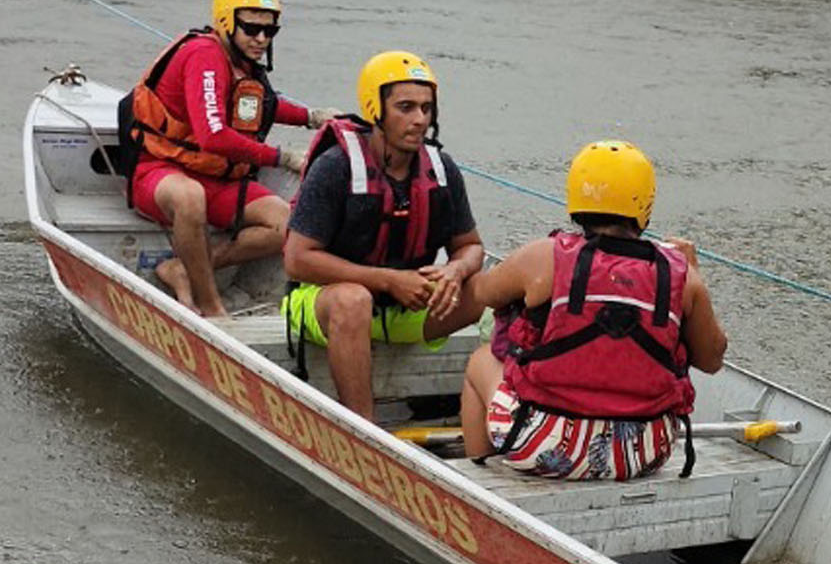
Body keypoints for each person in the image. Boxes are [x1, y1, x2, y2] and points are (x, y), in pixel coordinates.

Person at [440, 140, 727, 480]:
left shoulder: (543, 256)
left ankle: (482, 479)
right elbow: (711, 360)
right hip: (645, 451)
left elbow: (482, 292)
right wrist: (693, 273)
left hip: (544, 447)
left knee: (481, 360)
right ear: (644, 203)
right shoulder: (681, 275)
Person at [281, 51, 484, 421]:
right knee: (353, 301)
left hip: (405, 307)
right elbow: (297, 260)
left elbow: (469, 246)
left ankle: (491, 417)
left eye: (426, 108)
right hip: (324, 302)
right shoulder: (335, 167)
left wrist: (455, 271)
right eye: (406, 107)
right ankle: (362, 431)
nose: (420, 119)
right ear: (375, 109)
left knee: (491, 288)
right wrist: (389, 281)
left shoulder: (442, 169)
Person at [121, 0, 335, 319]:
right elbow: (214, 136)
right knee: (190, 197)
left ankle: (182, 269)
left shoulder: (241, 61)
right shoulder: (204, 55)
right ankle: (211, 306)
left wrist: (312, 117)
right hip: (162, 171)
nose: (261, 38)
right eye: (251, 28)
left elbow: (257, 106)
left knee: (289, 225)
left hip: (218, 179)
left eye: (270, 30)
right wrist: (282, 157)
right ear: (226, 22)